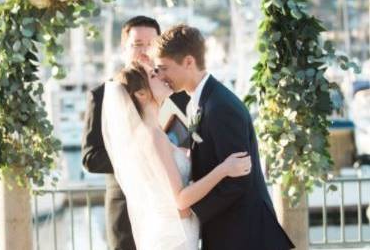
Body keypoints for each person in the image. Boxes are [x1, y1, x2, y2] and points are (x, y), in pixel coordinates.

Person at [153, 24, 295, 250]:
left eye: (164, 68)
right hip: (228, 232)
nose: (160, 76)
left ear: (189, 62)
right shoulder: (199, 101)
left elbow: (238, 180)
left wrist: (191, 213)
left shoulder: (220, 106)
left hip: (245, 235)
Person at [101, 62, 252, 250]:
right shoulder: (153, 136)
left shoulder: (149, 133)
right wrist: (224, 169)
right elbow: (180, 201)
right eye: (154, 75)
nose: (162, 77)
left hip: (169, 232)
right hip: (175, 238)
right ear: (141, 94)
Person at [81, 16, 188, 250]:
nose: (145, 51)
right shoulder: (102, 95)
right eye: (138, 44)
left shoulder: (176, 92)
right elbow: (90, 158)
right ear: (124, 48)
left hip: (171, 212)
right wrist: (143, 157)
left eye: (152, 43)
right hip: (125, 209)